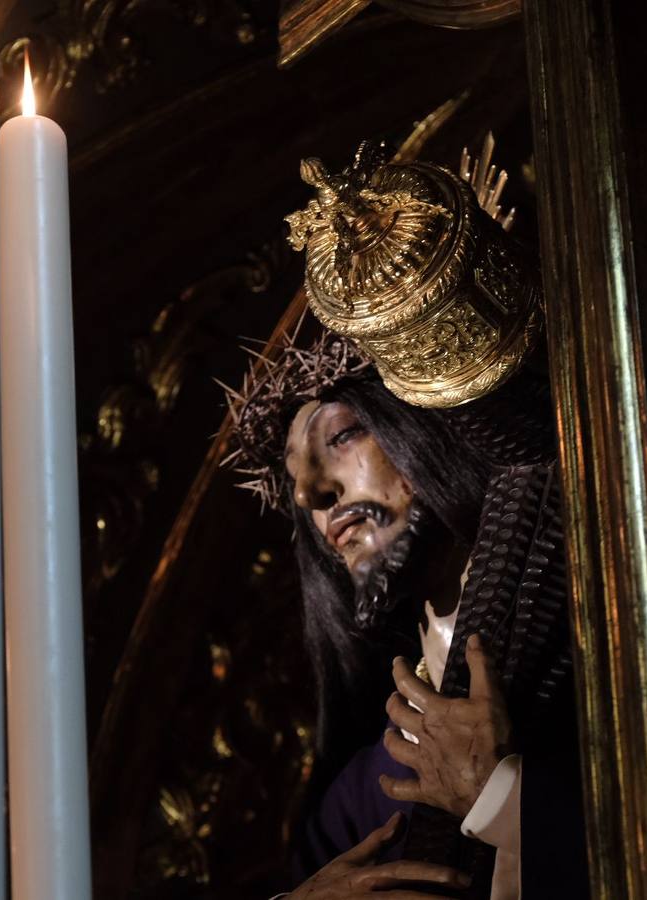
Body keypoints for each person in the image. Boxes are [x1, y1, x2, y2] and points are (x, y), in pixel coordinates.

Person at [222, 330, 587, 899]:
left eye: (341, 436)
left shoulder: (606, 654)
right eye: (295, 477)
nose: (310, 494)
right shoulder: (360, 804)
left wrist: (506, 800)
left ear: (422, 427)